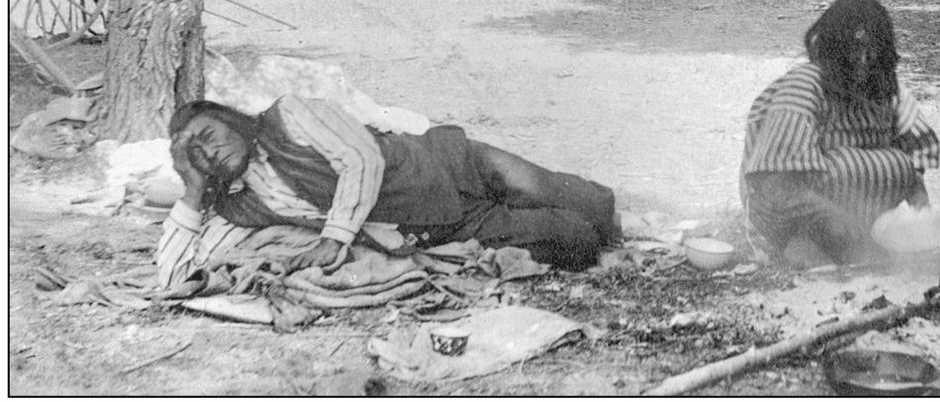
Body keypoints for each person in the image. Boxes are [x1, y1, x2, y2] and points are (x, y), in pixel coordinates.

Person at [157, 95, 619, 288]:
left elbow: (360, 158)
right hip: (435, 222)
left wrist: (333, 239)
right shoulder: (240, 205)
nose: (208, 152)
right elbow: (172, 274)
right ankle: (592, 235)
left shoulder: (290, 115)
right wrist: (192, 189)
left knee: (578, 199)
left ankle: (617, 218)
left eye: (209, 134)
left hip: (447, 163)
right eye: (193, 153)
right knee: (573, 239)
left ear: (231, 119)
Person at [741, 0, 940, 267]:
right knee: (818, 262)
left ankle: (856, 248)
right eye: (853, 48)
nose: (863, 58)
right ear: (833, 48)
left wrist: (919, 220)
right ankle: (800, 247)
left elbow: (914, 173)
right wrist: (838, 221)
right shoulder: (806, 85)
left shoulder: (886, 90)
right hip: (793, 216)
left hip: (860, 224)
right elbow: (774, 186)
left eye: (873, 49)